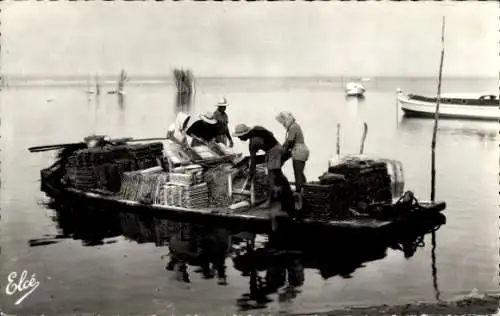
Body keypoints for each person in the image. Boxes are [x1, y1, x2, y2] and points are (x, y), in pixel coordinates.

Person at [233, 124, 295, 215]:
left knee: (271, 177)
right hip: (278, 147)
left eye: (240, 137)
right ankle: (285, 194)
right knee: (277, 174)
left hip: (274, 152)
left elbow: (253, 164)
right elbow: (271, 133)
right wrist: (267, 146)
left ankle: (269, 201)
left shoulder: (252, 144)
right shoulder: (258, 128)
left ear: (245, 134)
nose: (239, 139)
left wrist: (250, 176)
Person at [276, 112, 309, 194]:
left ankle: (298, 194)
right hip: (300, 151)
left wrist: (281, 152)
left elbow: (289, 143)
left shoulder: (293, 127)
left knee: (298, 175)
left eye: (283, 123)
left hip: (299, 151)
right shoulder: (294, 126)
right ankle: (304, 191)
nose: (283, 125)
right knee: (300, 173)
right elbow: (287, 142)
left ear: (286, 121)